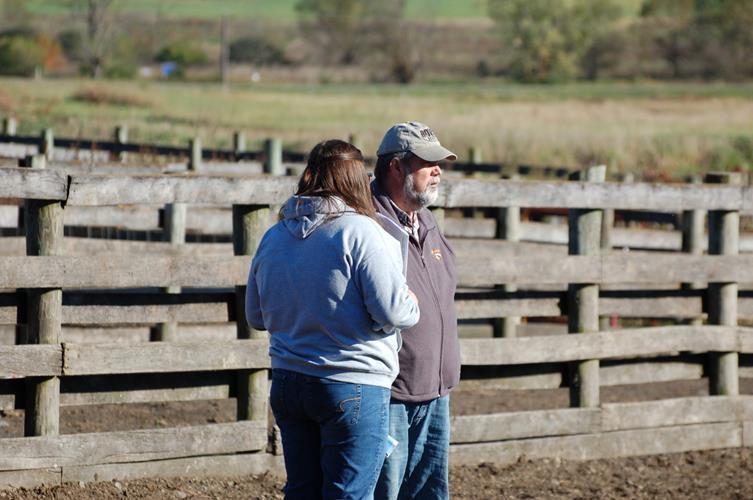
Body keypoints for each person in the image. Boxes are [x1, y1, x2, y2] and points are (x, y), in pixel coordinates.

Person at [245, 139, 420, 500]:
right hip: (352, 381)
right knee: (348, 494)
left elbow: (255, 316)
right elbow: (392, 310)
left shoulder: (274, 236)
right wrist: (411, 304)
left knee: (302, 490)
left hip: (289, 379)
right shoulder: (361, 232)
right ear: (357, 179)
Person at [372, 122, 460, 500]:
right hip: (389, 393)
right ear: (396, 167)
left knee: (428, 492)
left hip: (435, 392)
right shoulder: (370, 225)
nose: (438, 170)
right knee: (385, 490)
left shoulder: (426, 221)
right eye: (427, 162)